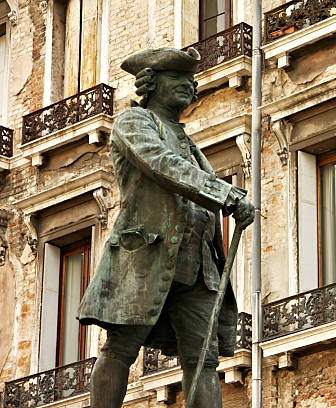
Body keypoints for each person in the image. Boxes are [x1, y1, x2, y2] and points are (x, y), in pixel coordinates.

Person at [77, 47, 254, 408]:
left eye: (192, 79)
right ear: (153, 82)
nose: (191, 84)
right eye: (180, 77)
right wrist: (226, 194)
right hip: (146, 255)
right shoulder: (135, 123)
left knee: (204, 358)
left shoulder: (190, 143)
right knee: (121, 347)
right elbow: (162, 165)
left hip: (199, 267)